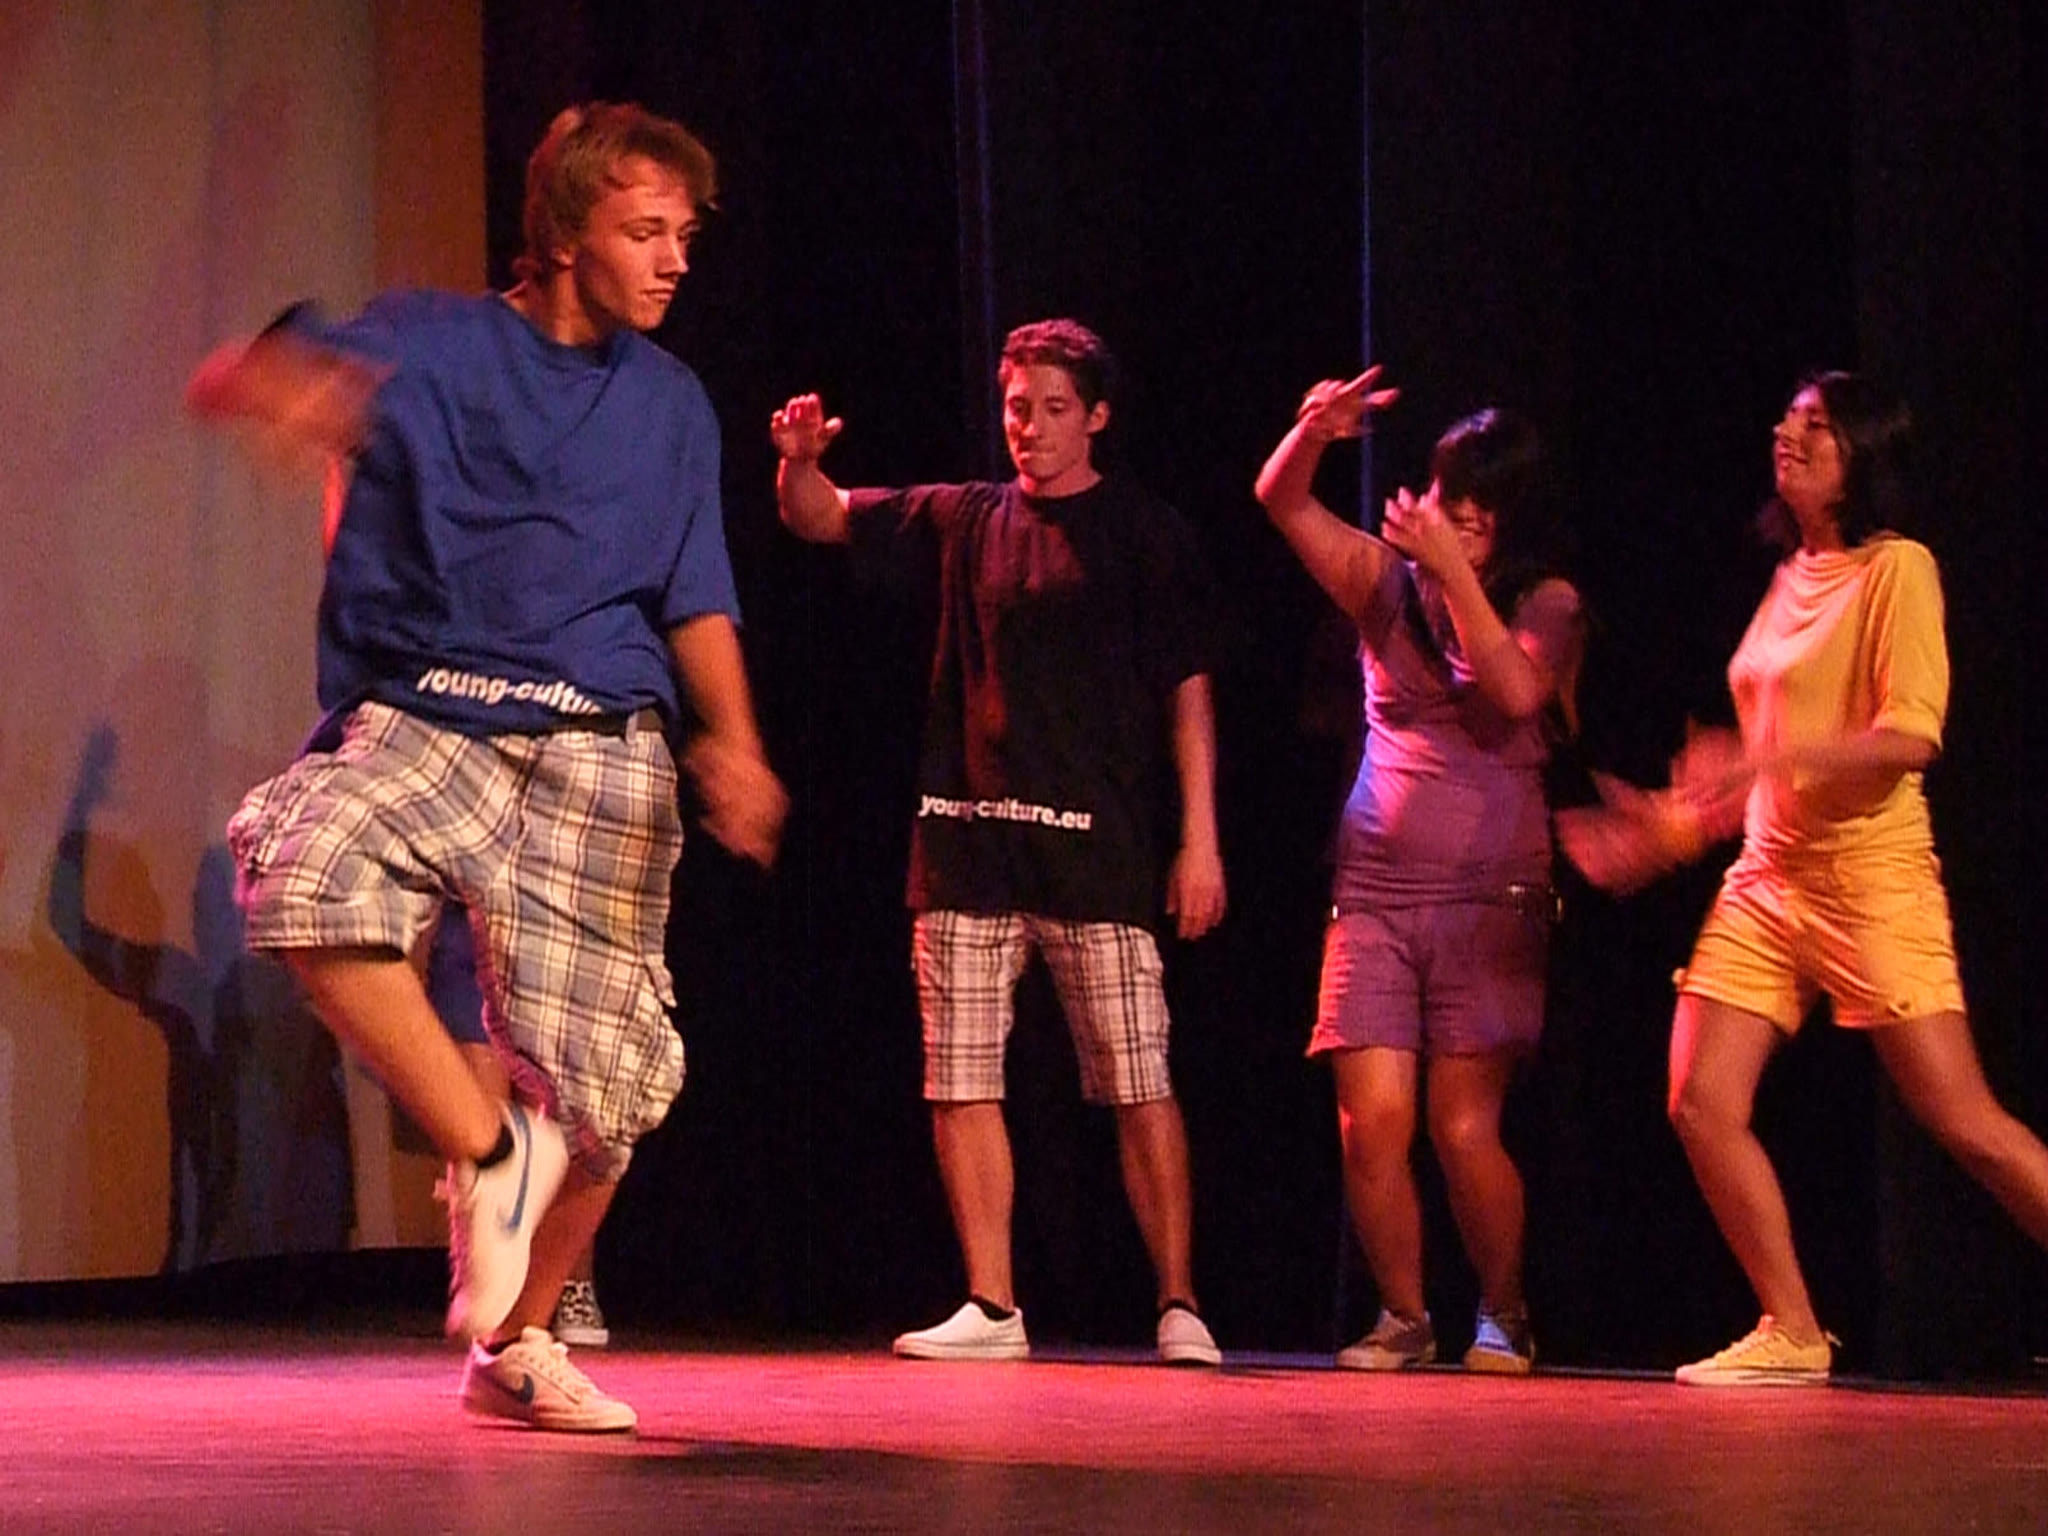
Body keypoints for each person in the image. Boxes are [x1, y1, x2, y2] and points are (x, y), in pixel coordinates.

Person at [188, 102, 786, 1431]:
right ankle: (486, 1149)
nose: (674, 260)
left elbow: (695, 591)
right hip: (431, 715)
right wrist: (278, 393)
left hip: (600, 743)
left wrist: (736, 740)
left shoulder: (672, 404)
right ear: (566, 236)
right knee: (302, 866)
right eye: (645, 231)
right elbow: (247, 371)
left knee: (611, 1095)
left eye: (684, 236)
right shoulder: (434, 339)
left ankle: (516, 1347)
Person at [1560, 371, 2048, 1385]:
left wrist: (1766, 760)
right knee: (1699, 1099)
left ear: (1860, 457)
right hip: (1767, 876)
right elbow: (1763, 758)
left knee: (1966, 1124)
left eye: (1815, 426)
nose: (1787, 433)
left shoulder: (1897, 568)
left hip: (1871, 877)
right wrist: (1675, 825)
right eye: (1787, 417)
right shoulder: (1790, 573)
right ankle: (1790, 1328)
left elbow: (1910, 737)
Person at [771, 319, 1227, 1365]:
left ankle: (1178, 1301)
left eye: (1054, 409)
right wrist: (797, 462)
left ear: (1097, 416)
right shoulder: (965, 516)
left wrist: (1199, 840)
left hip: (1097, 856)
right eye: (1018, 407)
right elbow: (822, 517)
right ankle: (991, 1303)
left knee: (1137, 1080)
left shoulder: (1144, 535)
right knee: (961, 1077)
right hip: (966, 850)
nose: (1031, 427)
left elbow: (1189, 693)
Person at [1254, 370, 1583, 1376]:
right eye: (1452, 496)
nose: (1464, 518)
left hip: (1490, 897)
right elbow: (1280, 500)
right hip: (1375, 892)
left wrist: (1456, 577)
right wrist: (1313, 431)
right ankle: (1403, 1314)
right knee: (1372, 1120)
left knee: (1460, 1126)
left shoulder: (1547, 603)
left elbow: (1514, 690)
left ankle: (1505, 1311)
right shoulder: (1383, 583)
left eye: (1486, 505)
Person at [425, 910, 610, 1349]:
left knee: (553, 1108)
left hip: (552, 917)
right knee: (485, 1124)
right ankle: (497, 1281)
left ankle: (570, 1283)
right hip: (470, 919)